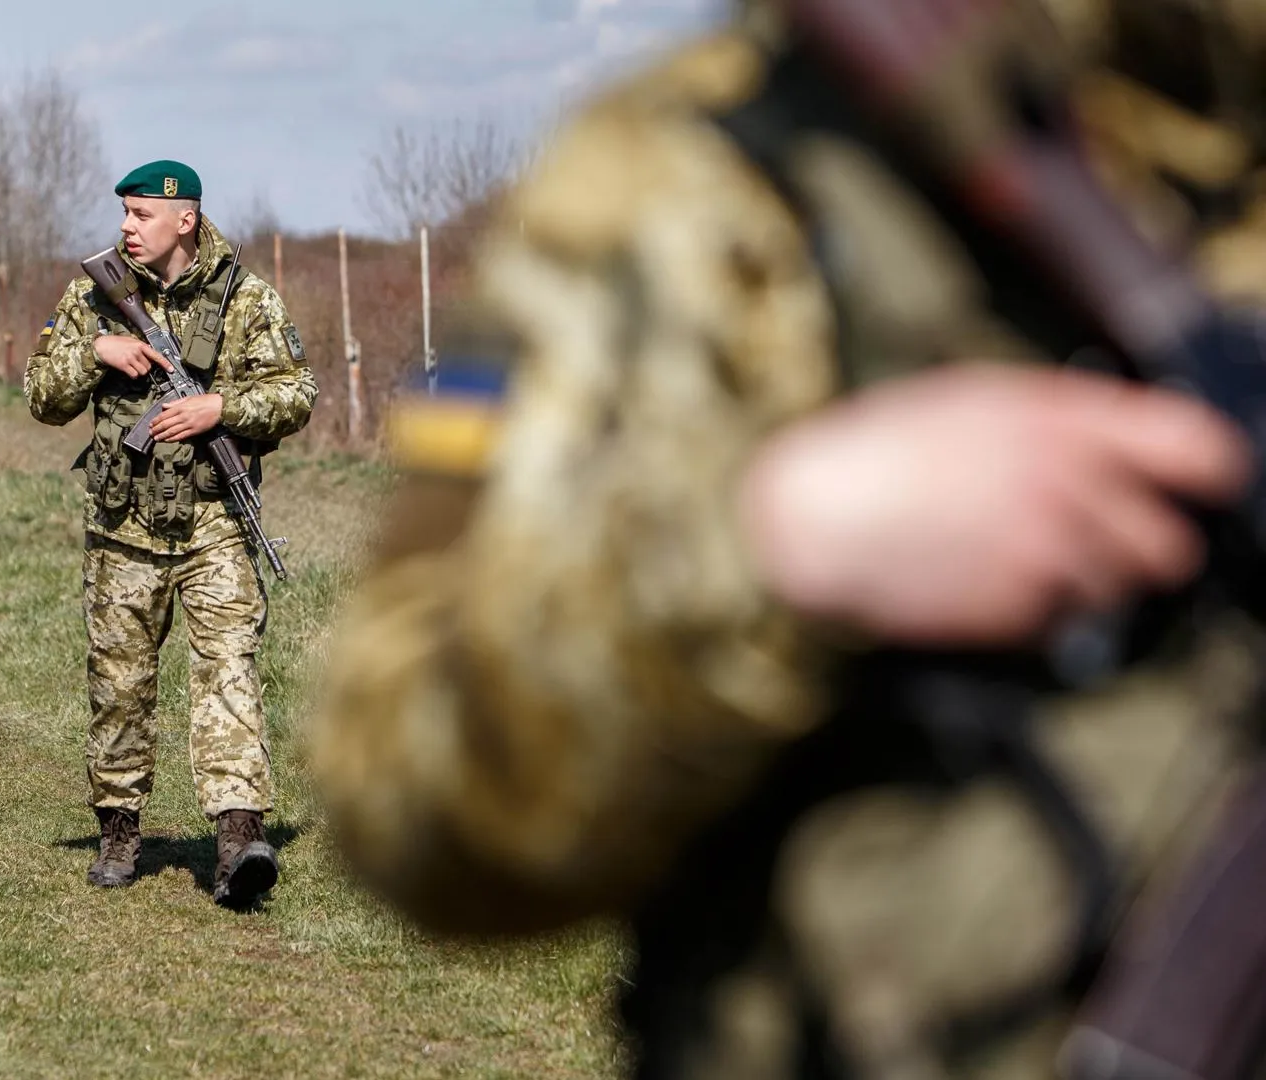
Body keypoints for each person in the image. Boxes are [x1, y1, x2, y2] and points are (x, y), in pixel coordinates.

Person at [310, 1, 1266, 1075]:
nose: (141, 227)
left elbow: (260, 391)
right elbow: (409, 781)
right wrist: (771, 548)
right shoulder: (712, 178)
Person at [25, 160, 317, 907]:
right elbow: (41, 396)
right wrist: (94, 353)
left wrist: (219, 410)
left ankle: (236, 840)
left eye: (140, 216)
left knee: (229, 676)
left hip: (215, 528)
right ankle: (120, 830)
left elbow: (296, 392)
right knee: (119, 688)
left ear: (183, 220)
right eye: (123, 214)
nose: (126, 226)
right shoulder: (92, 296)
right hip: (122, 532)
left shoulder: (247, 300)